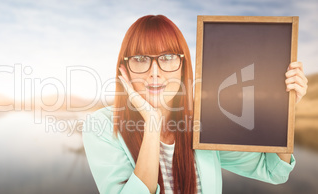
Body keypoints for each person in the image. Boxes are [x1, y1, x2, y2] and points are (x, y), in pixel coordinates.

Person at [82, 15, 308, 194]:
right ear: (124, 68)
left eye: (167, 57)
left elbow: (274, 171)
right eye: (140, 59)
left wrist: (284, 108)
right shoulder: (102, 126)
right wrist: (152, 123)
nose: (154, 73)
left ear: (183, 66)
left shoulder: (203, 124)